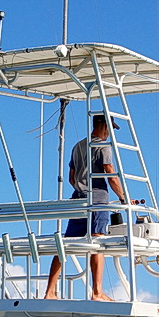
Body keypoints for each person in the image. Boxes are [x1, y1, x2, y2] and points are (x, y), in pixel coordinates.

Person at [44, 114, 126, 301]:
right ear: (103, 125)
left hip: (78, 200)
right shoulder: (102, 146)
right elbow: (110, 175)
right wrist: (123, 197)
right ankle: (97, 292)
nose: (110, 132)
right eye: (110, 127)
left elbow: (72, 178)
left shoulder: (78, 146)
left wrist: (81, 190)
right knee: (98, 243)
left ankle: (50, 291)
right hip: (97, 200)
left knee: (65, 245)